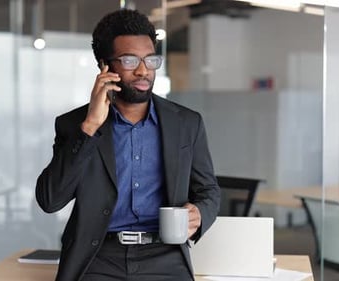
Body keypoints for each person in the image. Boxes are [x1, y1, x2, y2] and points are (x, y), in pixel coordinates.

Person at [36, 9, 220, 281]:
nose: (144, 70)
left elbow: (209, 191)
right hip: (98, 259)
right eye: (130, 60)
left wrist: (200, 214)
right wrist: (89, 129)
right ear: (104, 66)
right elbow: (50, 200)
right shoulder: (74, 125)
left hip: (165, 256)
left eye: (150, 59)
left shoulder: (186, 124)